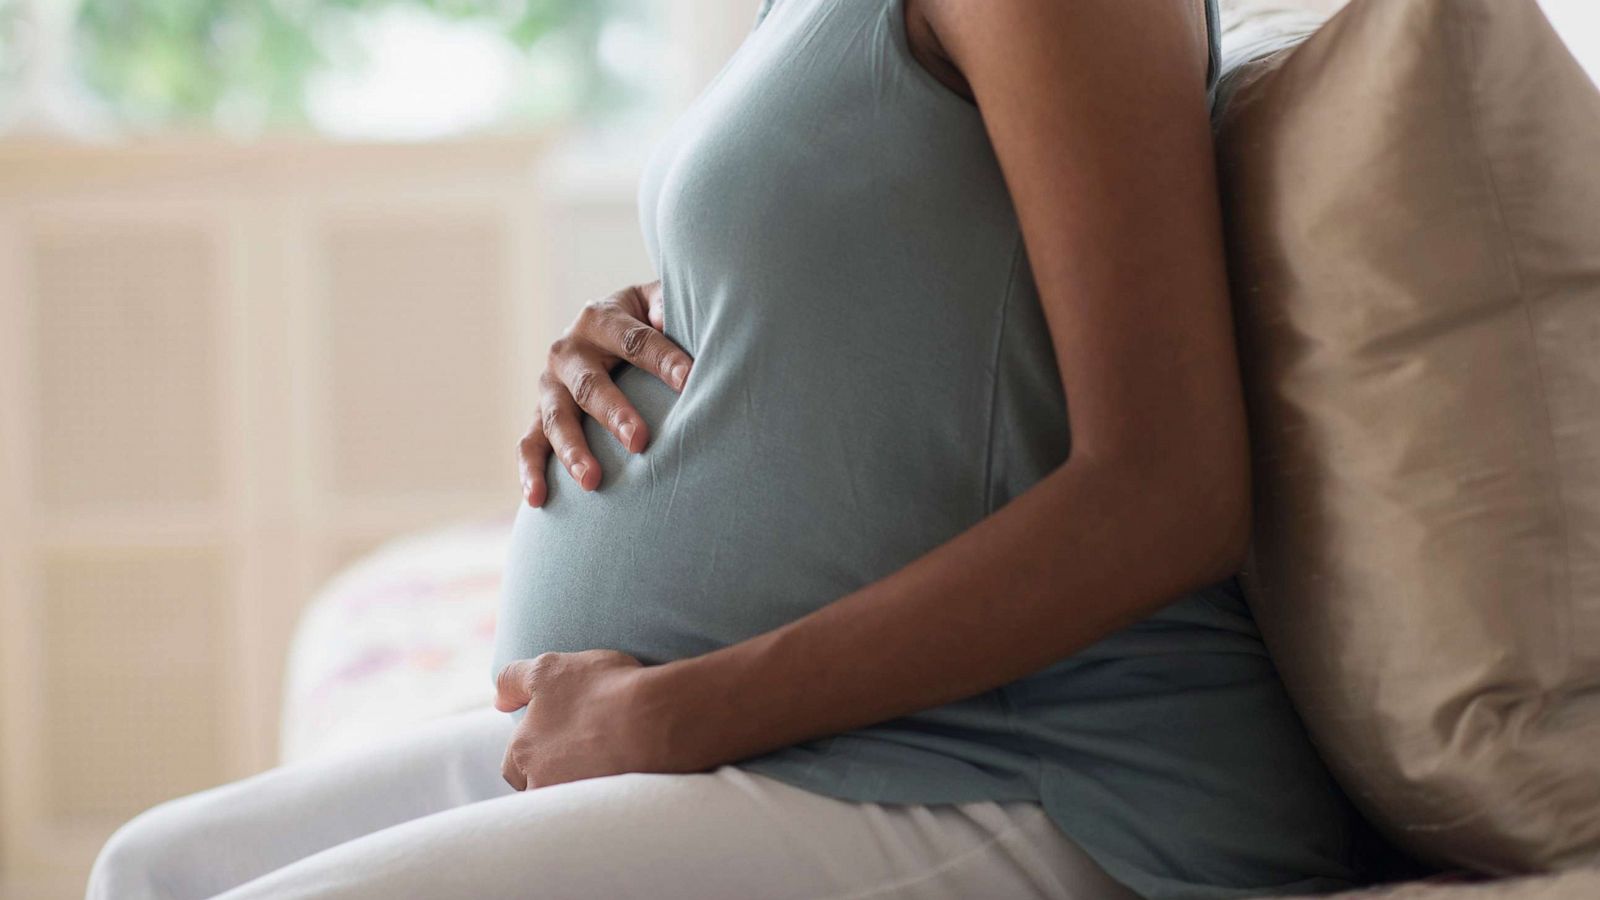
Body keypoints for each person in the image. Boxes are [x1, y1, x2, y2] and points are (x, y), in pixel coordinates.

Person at [88, 1, 1361, 897]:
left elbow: (1169, 489)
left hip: (1035, 771)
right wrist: (643, 322)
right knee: (149, 871)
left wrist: (677, 713)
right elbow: (906, 290)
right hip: (811, 740)